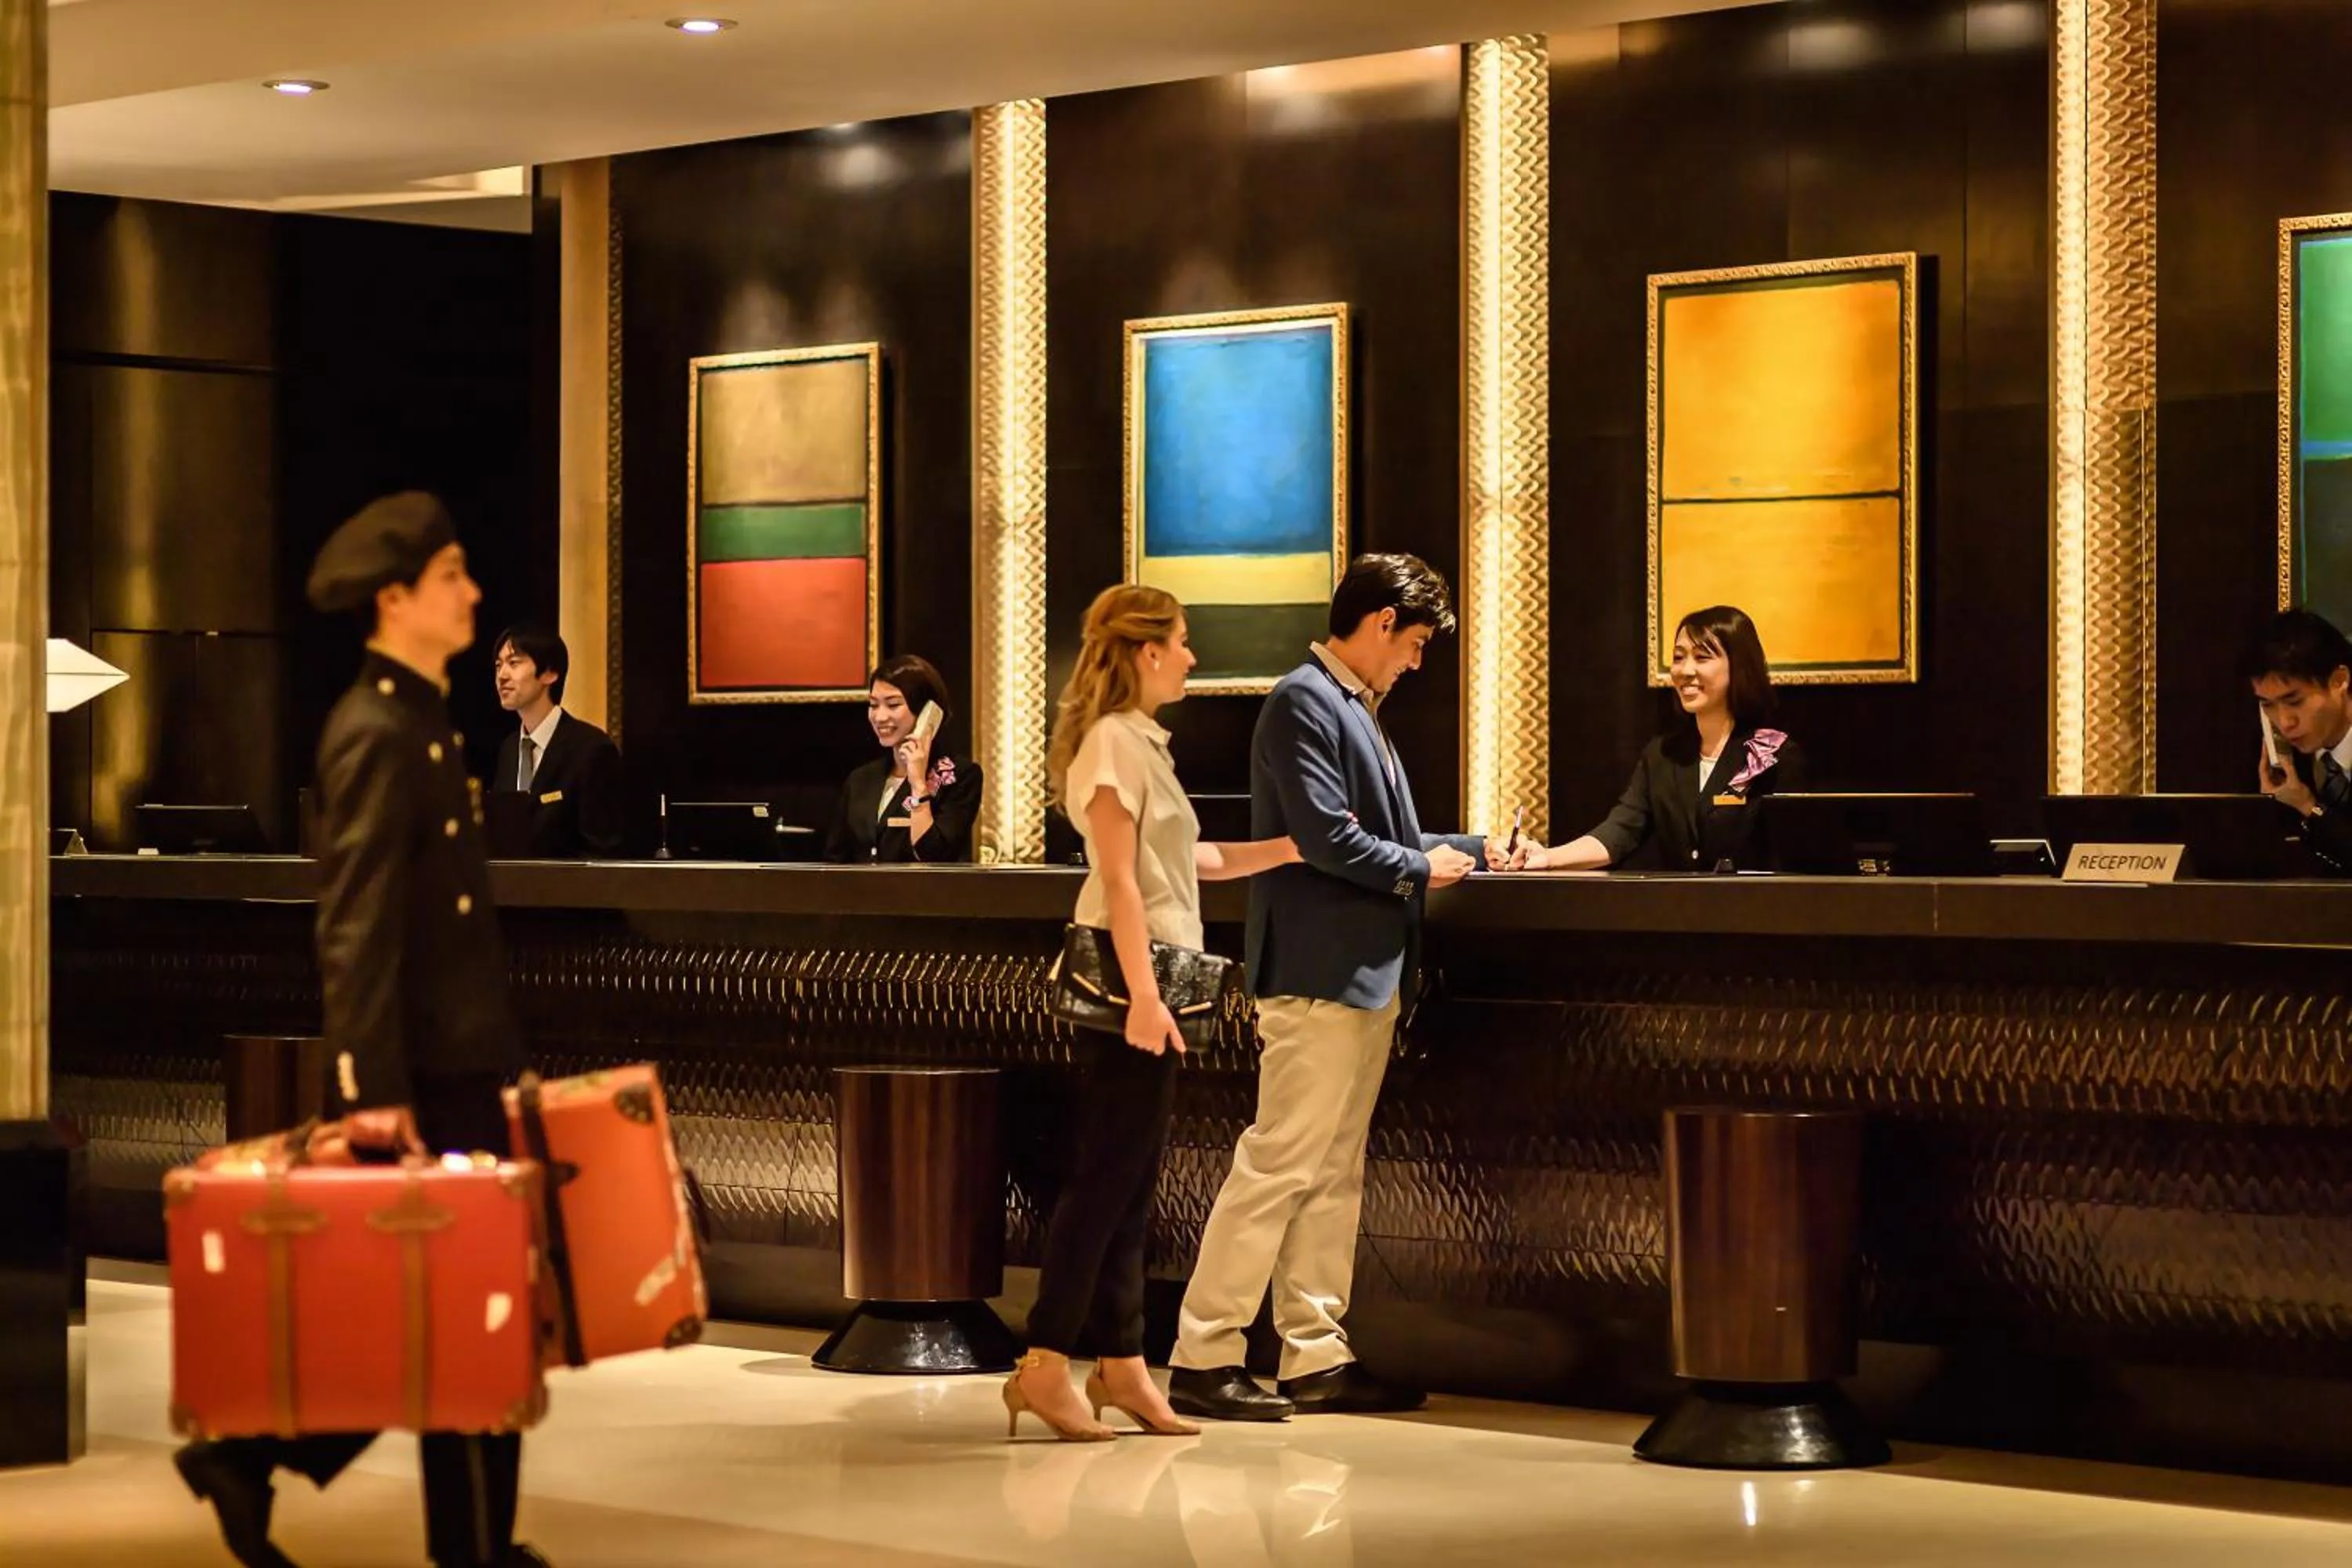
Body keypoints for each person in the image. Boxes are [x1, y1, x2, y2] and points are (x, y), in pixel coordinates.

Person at [172, 492, 548, 1568]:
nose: (473, 592)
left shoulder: (419, 720)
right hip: (419, 1078)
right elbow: (357, 929)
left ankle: (253, 1462)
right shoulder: (377, 730)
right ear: (395, 598)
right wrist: (372, 1089)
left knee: (442, 1315)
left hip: (456, 1064)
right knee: (462, 1319)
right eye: (452, 575)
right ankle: (470, 1548)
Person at [1167, 553, 1496, 1422]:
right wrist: (1422, 869)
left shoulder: (1349, 704)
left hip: (1357, 975)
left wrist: (1479, 848)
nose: (1415, 663)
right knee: (1280, 1161)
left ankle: (1314, 1352)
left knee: (1331, 1170)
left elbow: (1379, 832)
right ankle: (1204, 1351)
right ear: (1382, 623)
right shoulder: (1303, 699)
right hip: (1318, 975)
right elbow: (1326, 839)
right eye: (1416, 644)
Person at [1004, 585, 1300, 1442]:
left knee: (1132, 1184)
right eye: (1182, 640)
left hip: (1154, 976)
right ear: (1146, 651)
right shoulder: (1111, 743)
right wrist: (1141, 995)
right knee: (1104, 1182)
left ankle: (1124, 1361)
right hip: (1128, 981)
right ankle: (1044, 1361)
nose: (1192, 656)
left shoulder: (1141, 744)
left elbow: (1187, 861)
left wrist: (1290, 849)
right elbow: (1121, 881)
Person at [1519, 605, 1806, 873]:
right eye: (1679, 658)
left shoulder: (1773, 754)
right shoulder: (1663, 754)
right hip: (1675, 907)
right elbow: (1619, 832)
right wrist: (1548, 857)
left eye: (1702, 657)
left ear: (1739, 665)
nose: (1685, 671)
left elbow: (1796, 857)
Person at [826, 654, 985, 863]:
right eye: (873, 705)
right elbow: (835, 860)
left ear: (927, 711)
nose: (880, 717)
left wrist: (918, 784)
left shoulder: (959, 776)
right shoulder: (860, 779)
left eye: (893, 705)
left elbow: (933, 856)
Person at [488, 622, 626, 858]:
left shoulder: (591, 749)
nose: (502, 676)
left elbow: (602, 853)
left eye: (514, 663)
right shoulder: (509, 749)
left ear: (550, 673)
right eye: (498, 665)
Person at [2250, 607, 2352, 874]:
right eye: (2268, 705)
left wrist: (2309, 807)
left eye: (2294, 701)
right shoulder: (2288, 768)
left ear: (2339, 681)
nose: (2284, 722)